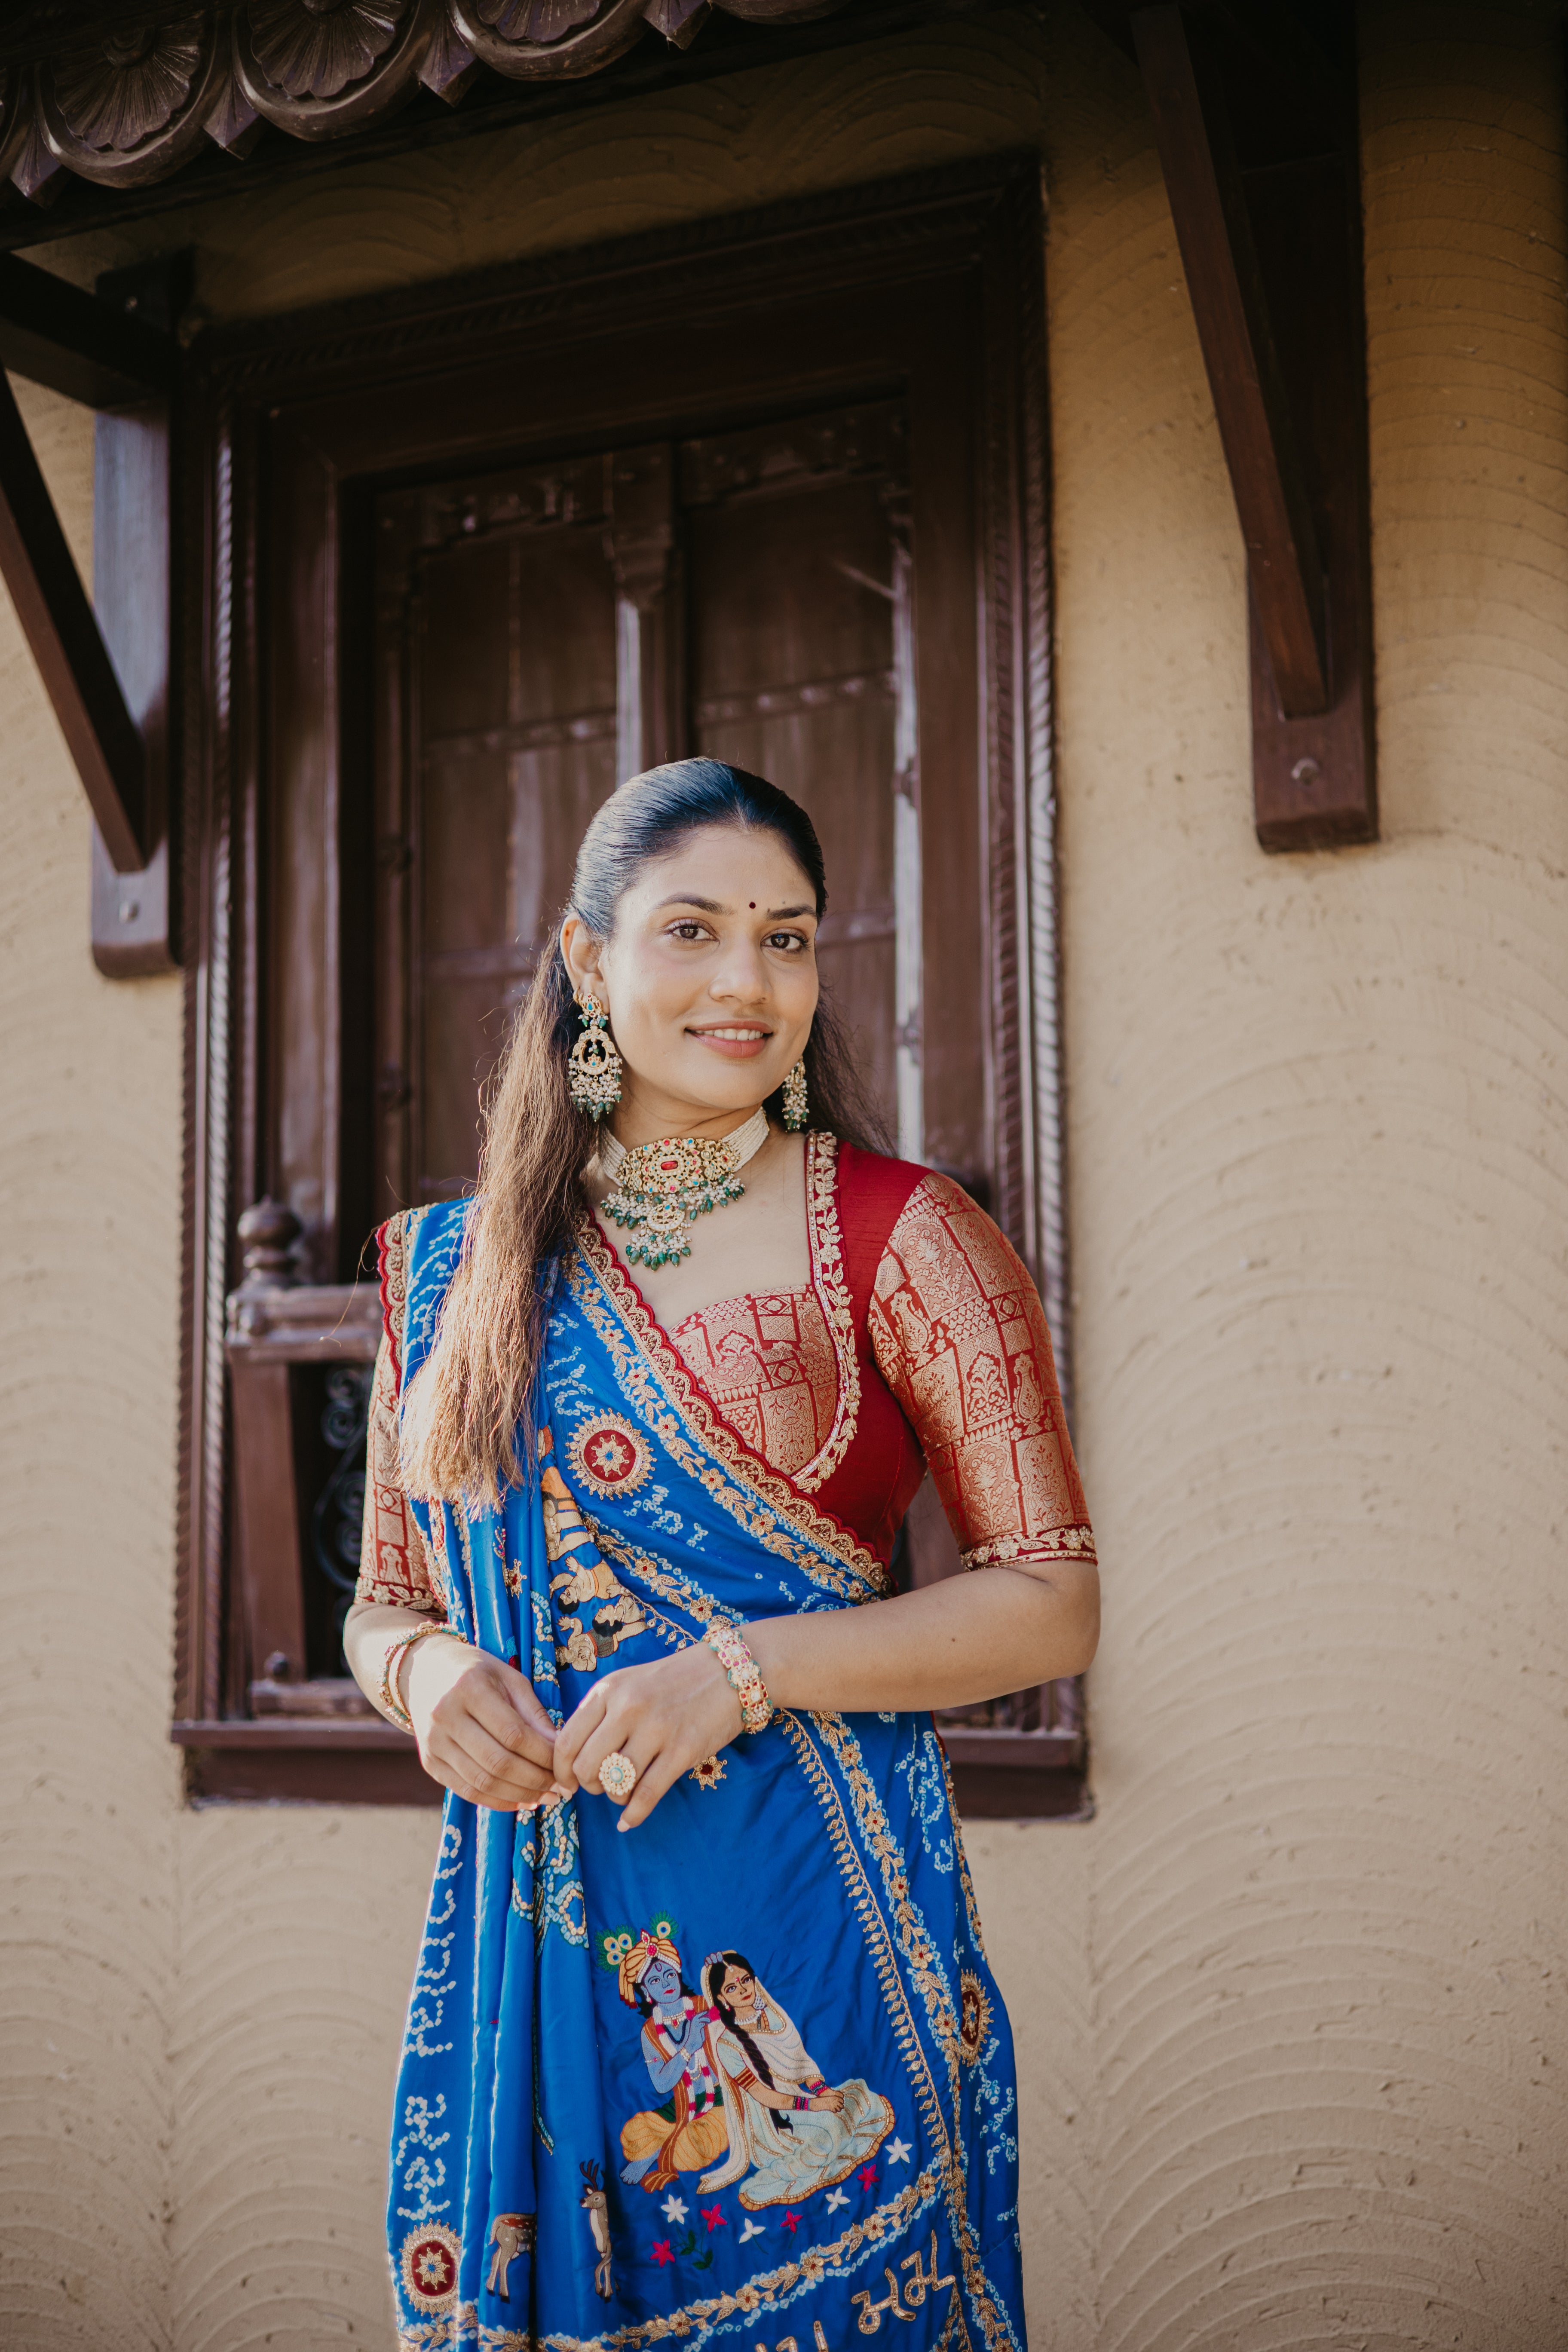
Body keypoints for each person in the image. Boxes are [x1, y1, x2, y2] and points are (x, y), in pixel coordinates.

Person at [344, 759, 1099, 2351]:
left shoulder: (906, 1234)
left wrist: (744, 1673)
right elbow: (388, 1601)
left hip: (814, 1951)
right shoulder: (443, 1271)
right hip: (527, 1937)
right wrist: (424, 1676)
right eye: (693, 930)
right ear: (583, 960)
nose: (750, 982)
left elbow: (1052, 1600)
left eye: (792, 937)